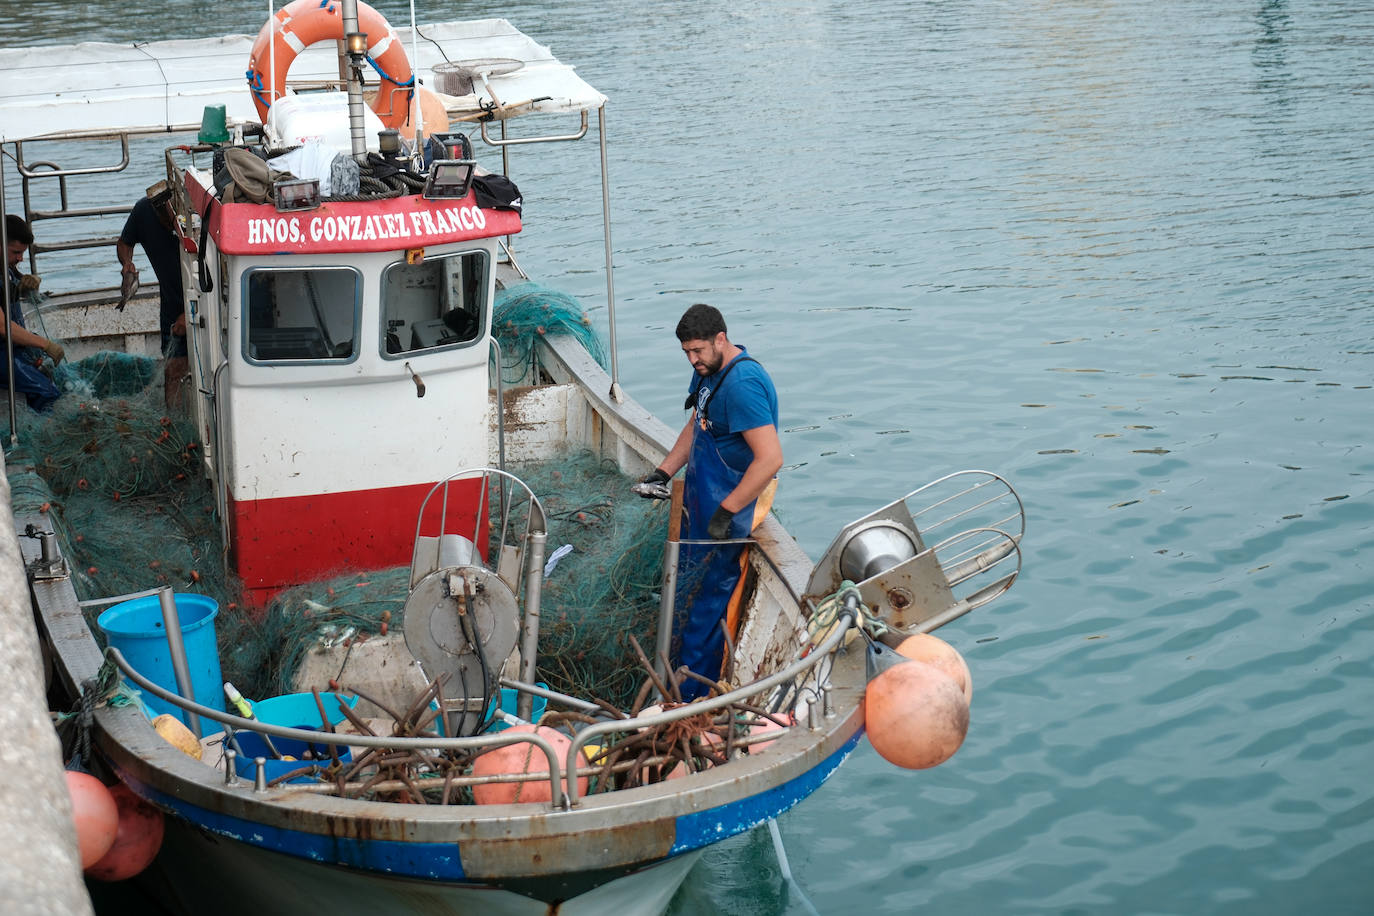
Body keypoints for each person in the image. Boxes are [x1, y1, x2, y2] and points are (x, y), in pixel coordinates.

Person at [637, 303, 782, 694]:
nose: (692, 359)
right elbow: (696, 425)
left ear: (722, 339)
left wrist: (727, 511)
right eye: (686, 352)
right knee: (685, 592)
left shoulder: (741, 385)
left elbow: (770, 458)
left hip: (729, 511)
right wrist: (664, 471)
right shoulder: (708, 371)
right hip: (701, 501)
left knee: (706, 605)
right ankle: (673, 678)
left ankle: (690, 697)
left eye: (698, 350)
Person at [117, 182, 187, 408]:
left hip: (208, 306)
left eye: (170, 213)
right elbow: (124, 242)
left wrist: (191, 313)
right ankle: (174, 422)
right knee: (173, 370)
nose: (167, 219)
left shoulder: (196, 214)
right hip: (171, 306)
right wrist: (127, 263)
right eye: (161, 212)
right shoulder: (143, 210)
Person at [3, 215, 63, 412]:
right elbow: (3, 326)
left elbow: (18, 290)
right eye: (16, 252)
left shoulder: (7, 267)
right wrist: (46, 344)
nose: (20, 259)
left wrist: (30, 286)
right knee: (46, 392)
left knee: (56, 373)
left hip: (14, 346)